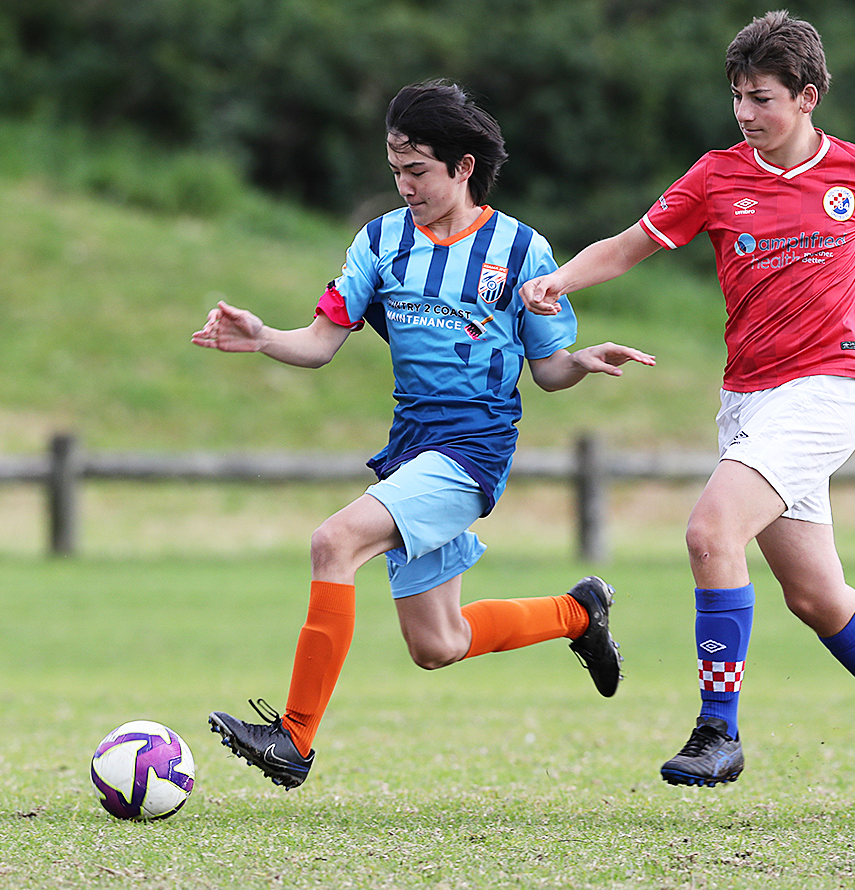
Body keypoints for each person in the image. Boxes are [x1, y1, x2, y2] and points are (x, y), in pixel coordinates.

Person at [520, 11, 855, 820]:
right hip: (746, 402)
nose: (745, 112)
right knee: (814, 596)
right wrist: (561, 281)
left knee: (711, 532)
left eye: (762, 98)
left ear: (806, 98)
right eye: (737, 96)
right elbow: (634, 243)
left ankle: (718, 730)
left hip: (827, 390)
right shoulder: (713, 177)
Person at [191, 79, 656, 790]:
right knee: (438, 643)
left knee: (333, 542)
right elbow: (318, 345)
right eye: (395, 172)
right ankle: (577, 613)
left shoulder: (521, 250)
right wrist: (261, 340)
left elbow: (548, 371)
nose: (404, 186)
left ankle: (293, 739)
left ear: (462, 167)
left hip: (471, 452)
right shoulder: (378, 243)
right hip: (411, 447)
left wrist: (582, 362)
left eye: (417, 172)